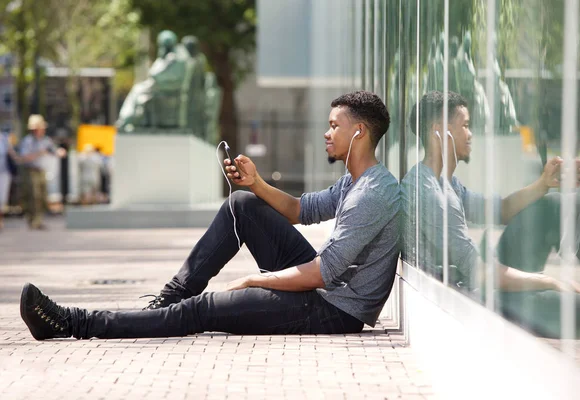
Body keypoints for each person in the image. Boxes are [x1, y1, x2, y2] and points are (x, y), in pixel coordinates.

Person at [20, 91, 402, 340]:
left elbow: (321, 273)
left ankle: (71, 321)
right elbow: (301, 210)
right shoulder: (355, 180)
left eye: (335, 126)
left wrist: (256, 279)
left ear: (360, 132)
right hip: (324, 286)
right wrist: (255, 184)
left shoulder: (372, 193)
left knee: (202, 311)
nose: (326, 133)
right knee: (242, 205)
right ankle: (169, 300)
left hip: (335, 309)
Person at [399, 90, 580, 338]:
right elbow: (481, 273)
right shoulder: (428, 191)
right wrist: (550, 281)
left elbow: (500, 211)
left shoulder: (442, 182)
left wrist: (544, 183)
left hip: (481, 284)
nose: (470, 134)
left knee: (556, 205)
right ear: (439, 130)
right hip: (471, 301)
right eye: (465, 125)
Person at [19, 115, 66, 230]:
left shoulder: (45, 140)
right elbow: (24, 157)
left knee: (42, 197)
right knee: (33, 196)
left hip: (41, 171)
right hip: (31, 171)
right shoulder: (28, 141)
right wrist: (39, 153)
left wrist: (59, 152)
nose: (42, 130)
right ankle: (33, 220)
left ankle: (38, 220)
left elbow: (52, 151)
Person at [0, 131, 19, 230]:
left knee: (2, 198)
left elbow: (11, 152)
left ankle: (0, 220)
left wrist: (18, 160)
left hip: (3, 172)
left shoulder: (3, 138)